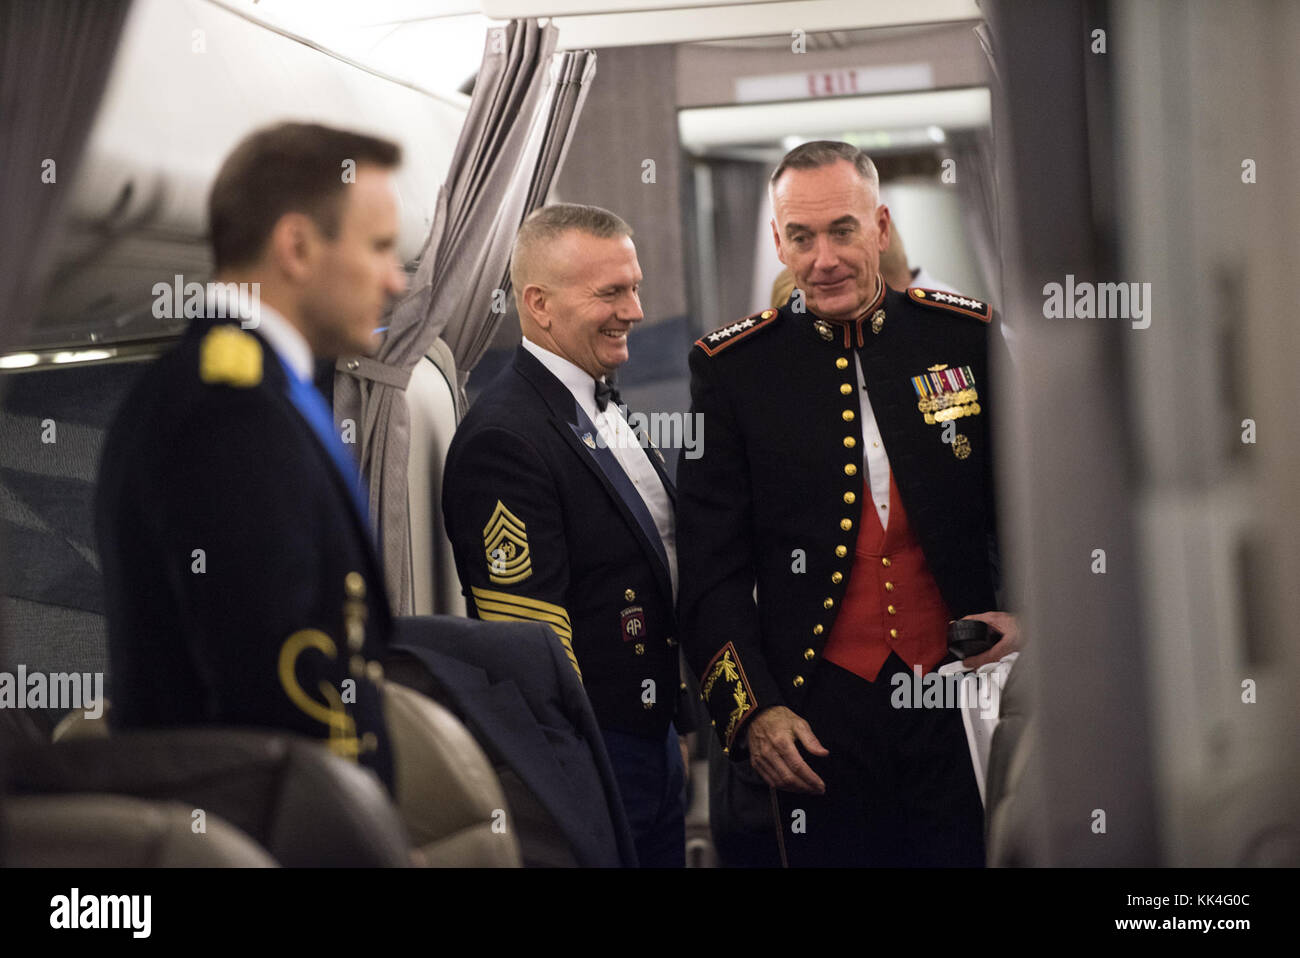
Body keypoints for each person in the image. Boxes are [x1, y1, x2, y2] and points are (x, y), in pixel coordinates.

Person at [676, 140, 1020, 867]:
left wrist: (1029, 617)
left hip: (957, 695)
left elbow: (1029, 508)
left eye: (842, 230)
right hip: (818, 711)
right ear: (777, 241)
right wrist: (753, 712)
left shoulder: (962, 338)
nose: (823, 258)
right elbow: (711, 572)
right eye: (800, 237)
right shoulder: (733, 371)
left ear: (882, 227)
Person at [96, 122, 408, 788]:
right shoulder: (227, 411)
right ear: (296, 246)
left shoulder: (260, 389)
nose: (398, 279)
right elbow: (272, 693)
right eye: (381, 248)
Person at [441, 203, 688, 867]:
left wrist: (674, 717)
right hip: (596, 755)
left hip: (652, 735)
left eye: (634, 287)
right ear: (539, 304)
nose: (634, 310)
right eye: (610, 292)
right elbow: (532, 643)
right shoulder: (506, 437)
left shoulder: (597, 399)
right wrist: (585, 780)